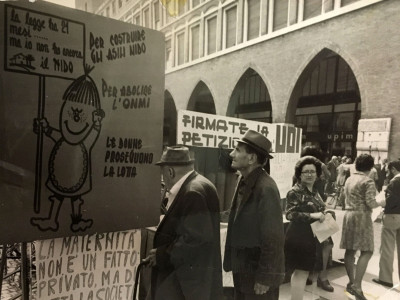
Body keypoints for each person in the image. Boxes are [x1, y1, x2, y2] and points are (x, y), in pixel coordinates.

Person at [145, 146, 223, 300]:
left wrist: (162, 255)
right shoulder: (201, 183)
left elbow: (195, 240)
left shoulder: (191, 192)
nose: (162, 178)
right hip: (194, 280)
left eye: (163, 172)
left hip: (184, 283)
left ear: (170, 172)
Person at [223, 129, 285, 300]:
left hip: (259, 277)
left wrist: (265, 278)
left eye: (237, 150)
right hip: (243, 272)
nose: (231, 154)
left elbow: (273, 239)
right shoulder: (243, 179)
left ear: (251, 158)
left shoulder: (266, 188)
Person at [285, 156, 335, 300]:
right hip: (299, 236)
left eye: (312, 172)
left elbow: (318, 209)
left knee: (305, 272)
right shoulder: (295, 191)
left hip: (312, 235)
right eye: (305, 171)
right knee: (300, 272)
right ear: (299, 175)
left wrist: (326, 212)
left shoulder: (314, 191)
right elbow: (290, 214)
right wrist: (313, 215)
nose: (309, 174)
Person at [340, 154, 385, 300]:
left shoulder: (349, 179)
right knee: (367, 251)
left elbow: (342, 198)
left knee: (350, 250)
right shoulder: (368, 181)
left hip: (349, 215)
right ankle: (357, 286)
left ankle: (351, 281)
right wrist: (383, 202)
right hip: (362, 216)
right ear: (371, 167)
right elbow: (371, 203)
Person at [373, 160, 400, 288]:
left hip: (392, 216)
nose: (387, 173)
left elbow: (390, 200)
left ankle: (386, 278)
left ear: (394, 169)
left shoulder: (395, 182)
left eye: (388, 170)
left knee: (387, 249)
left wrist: (379, 202)